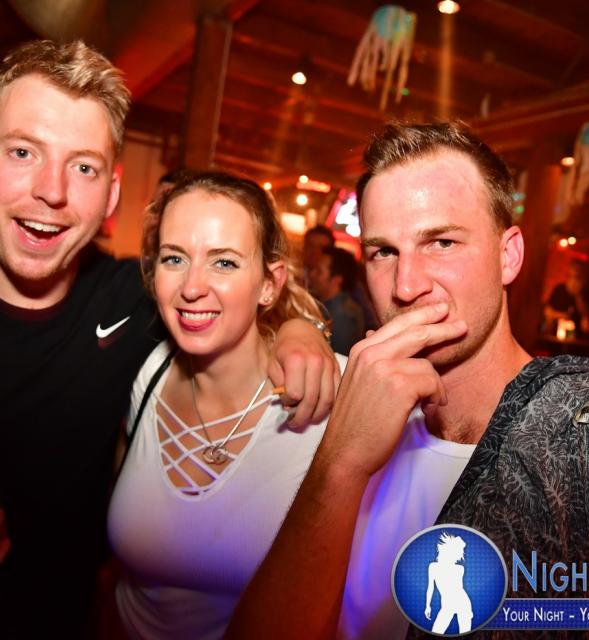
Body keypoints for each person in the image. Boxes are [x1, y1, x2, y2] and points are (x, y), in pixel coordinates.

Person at [228, 123, 589, 640]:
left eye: (441, 242)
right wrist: (341, 461)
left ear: (508, 255)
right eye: (383, 252)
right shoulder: (338, 403)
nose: (406, 286)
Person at [0, 39, 338, 639]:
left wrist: (300, 330)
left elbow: (223, 302)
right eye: (22, 152)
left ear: (111, 195)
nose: (52, 190)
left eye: (83, 167)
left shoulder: (133, 303)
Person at [108, 171, 347, 639]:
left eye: (224, 262)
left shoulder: (328, 395)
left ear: (269, 284)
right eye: (175, 258)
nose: (192, 286)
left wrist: (305, 328)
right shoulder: (146, 372)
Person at [308, 246, 365, 354]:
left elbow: (339, 357)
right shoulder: (328, 306)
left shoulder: (341, 315)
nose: (312, 274)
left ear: (336, 280)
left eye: (319, 271)